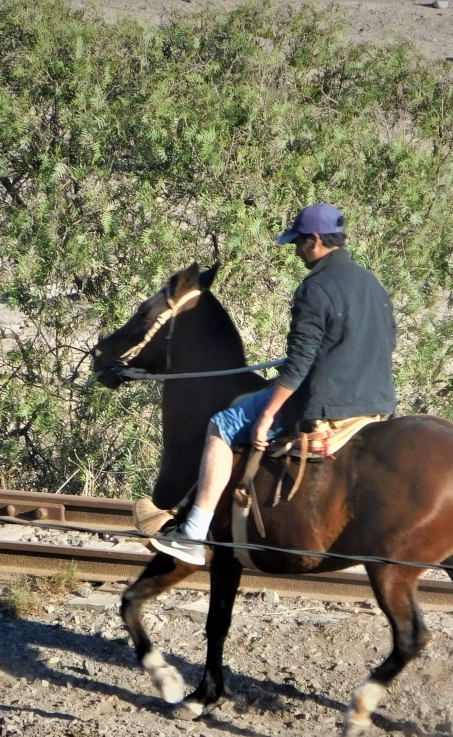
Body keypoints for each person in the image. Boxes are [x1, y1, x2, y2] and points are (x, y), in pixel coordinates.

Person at [150, 203, 397, 566]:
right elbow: (386, 342)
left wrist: (268, 414)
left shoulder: (316, 287)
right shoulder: (371, 283)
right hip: (377, 404)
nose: (297, 249)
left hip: (327, 402)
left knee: (224, 422)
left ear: (315, 240)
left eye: (299, 241)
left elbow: (298, 365)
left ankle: (193, 532)